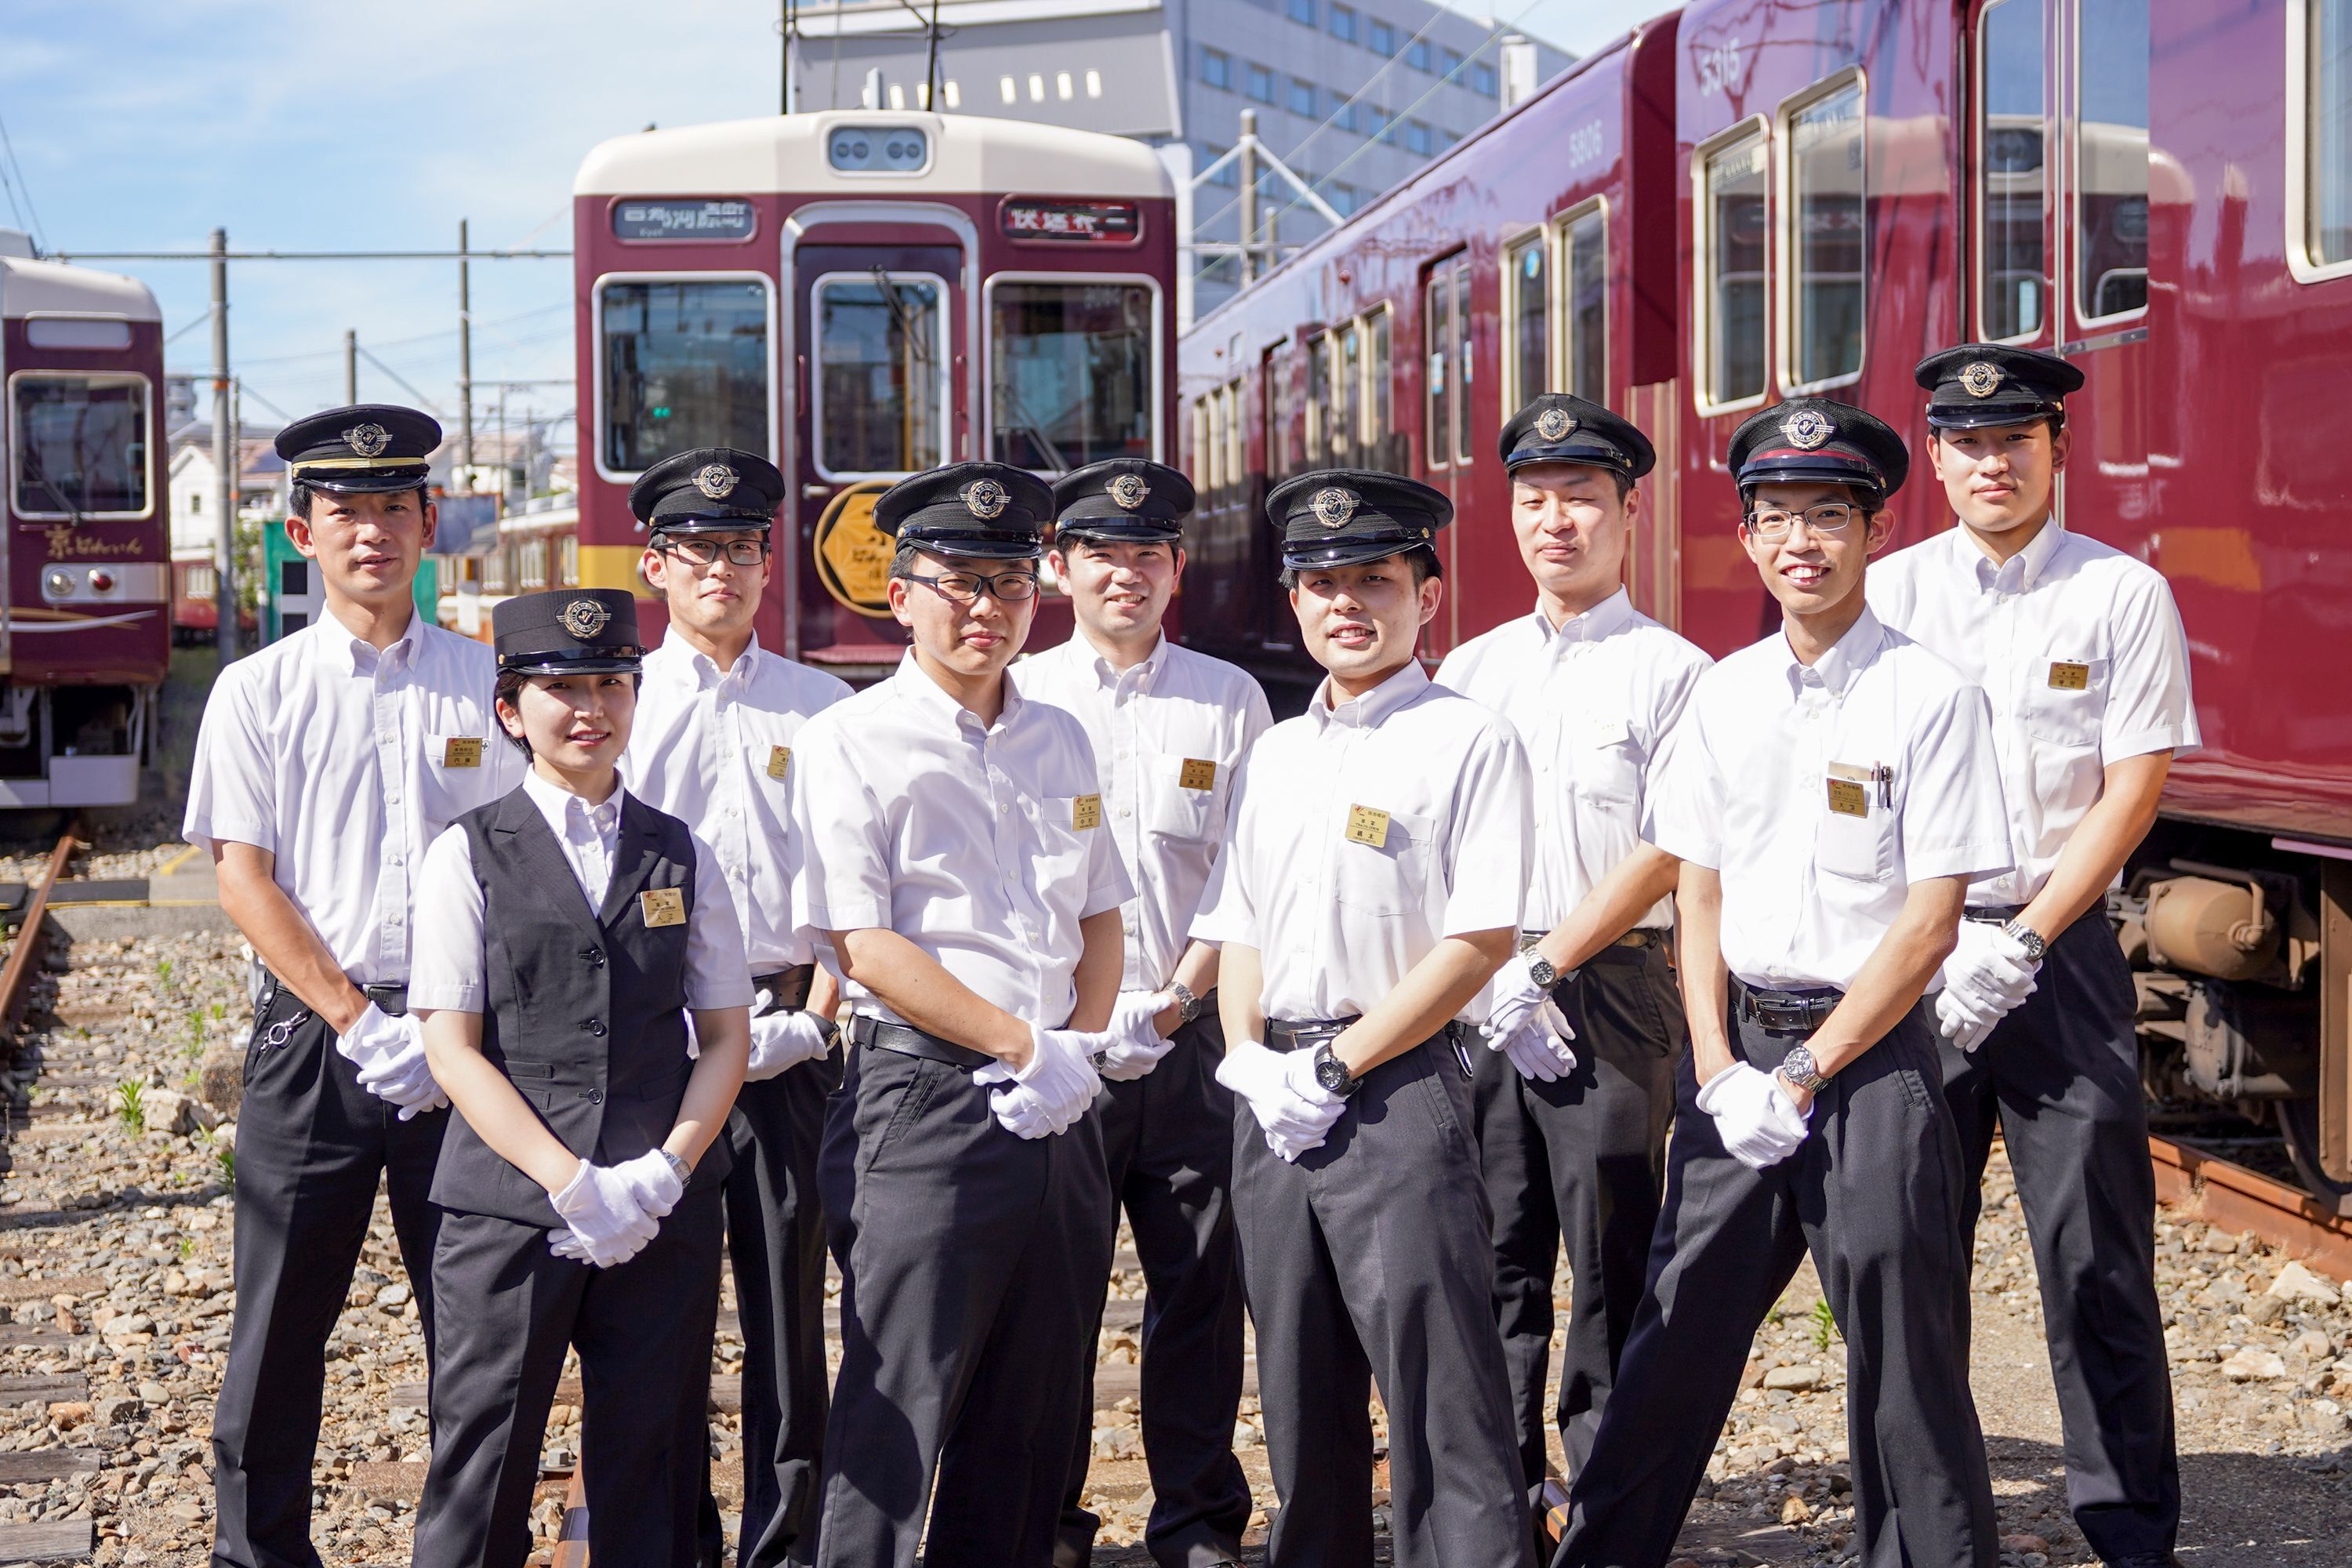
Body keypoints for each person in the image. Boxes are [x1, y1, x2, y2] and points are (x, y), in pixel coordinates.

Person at [1554, 400, 2007, 1568]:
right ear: (1748, 540)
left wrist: (1804, 1073)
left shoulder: (1933, 696)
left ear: (1872, 529)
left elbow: (1930, 921)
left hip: (1870, 1068)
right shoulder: (1726, 694)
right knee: (1672, 1339)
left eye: (1827, 514)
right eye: (1776, 518)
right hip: (1737, 1060)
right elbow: (1695, 890)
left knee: (1904, 1355)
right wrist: (1716, 1070)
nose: (1801, 539)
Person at [1869, 345, 2196, 1568]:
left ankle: (2128, 1531)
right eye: (1966, 442)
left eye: (2015, 439)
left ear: (2057, 449)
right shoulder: (1888, 595)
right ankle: (1924, 1531)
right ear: (1936, 461)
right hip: (1911, 952)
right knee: (1905, 1251)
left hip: (2052, 957)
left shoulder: (2120, 594)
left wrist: (2026, 936)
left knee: (2095, 1252)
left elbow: (2135, 784)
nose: (1990, 461)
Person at [185, 404, 523, 1568]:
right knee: (278, 1329)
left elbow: (522, 865)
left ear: (433, 521)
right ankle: (259, 1555)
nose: (370, 530)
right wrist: (352, 1018)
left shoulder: (493, 686)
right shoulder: (256, 692)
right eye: (345, 511)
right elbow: (244, 879)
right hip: (316, 1047)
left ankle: (470, 1550)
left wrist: (441, 1027)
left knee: (480, 1332)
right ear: (301, 532)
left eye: (392, 506)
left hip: (466, 1045)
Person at [1192, 469, 1536, 1568]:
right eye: (1323, 583)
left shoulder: (1469, 740)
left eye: (1374, 580)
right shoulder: (1280, 753)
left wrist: (1334, 1069)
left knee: (1440, 1393)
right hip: (1273, 1103)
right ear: (1294, 602)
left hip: (1392, 1096)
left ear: (1427, 595)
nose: (1348, 603)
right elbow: (1240, 920)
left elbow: (1478, 940)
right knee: (1299, 1388)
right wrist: (1247, 1058)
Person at [794, 462, 1130, 1568]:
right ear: (901, 595)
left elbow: (1098, 916)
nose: (986, 608)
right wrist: (1025, 1045)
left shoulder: (1063, 737)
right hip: (926, 1102)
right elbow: (866, 945)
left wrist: (1071, 1049)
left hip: (1053, 1104)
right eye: (958, 584)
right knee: (899, 1408)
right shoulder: (852, 740)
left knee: (1032, 1414)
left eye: (1009, 582)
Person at [406, 586, 755, 1568]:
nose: (592, 706)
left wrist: (665, 1172)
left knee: (653, 1459)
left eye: (613, 681)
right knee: (481, 1459)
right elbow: (453, 1047)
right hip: (510, 1208)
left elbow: (725, 1034)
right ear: (512, 710)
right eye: (563, 686)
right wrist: (568, 1180)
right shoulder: (465, 853)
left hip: (657, 1203)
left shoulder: (679, 849)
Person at [1433, 395, 1711, 1515]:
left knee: (1611, 1253)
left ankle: (1603, 1498)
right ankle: (1496, 1497)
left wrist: (1546, 963)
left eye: (1583, 498)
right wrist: (1486, 976)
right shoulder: (1468, 668)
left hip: (1609, 991)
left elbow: (1670, 847)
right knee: (1491, 1245)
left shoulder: (1675, 671)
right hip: (1479, 991)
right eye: (1536, 499)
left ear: (1629, 512)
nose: (1558, 521)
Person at [1020, 458, 1272, 1568]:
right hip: (1058, 1043)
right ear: (1059, 566)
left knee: (1198, 1298)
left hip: (1188, 1031)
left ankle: (1197, 1523)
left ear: (1176, 567)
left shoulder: (1229, 698)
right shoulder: (1022, 696)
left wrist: (1176, 1000)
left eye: (1148, 554)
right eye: (1101, 554)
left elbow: (1248, 879)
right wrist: (1073, 1026)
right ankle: (1051, 1521)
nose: (1125, 573)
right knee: (1051, 1305)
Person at [621, 446, 854, 1568]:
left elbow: (863, 883)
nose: (722, 567)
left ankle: (786, 1539)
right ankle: (676, 1539)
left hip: (789, 1025)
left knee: (785, 1304)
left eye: (742, 547)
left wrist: (817, 1010)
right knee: (659, 1313)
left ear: (769, 561)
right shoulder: (618, 699)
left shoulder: (824, 706)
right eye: (698, 549)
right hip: (654, 1034)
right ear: (655, 564)